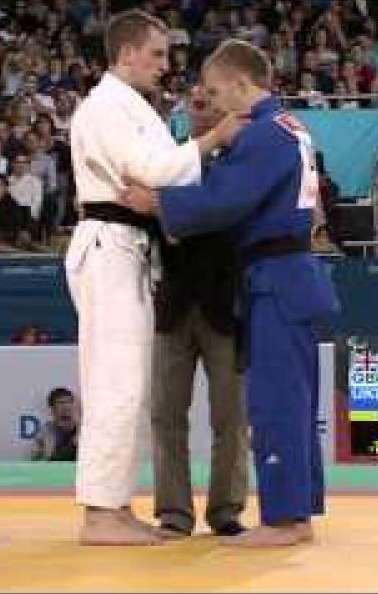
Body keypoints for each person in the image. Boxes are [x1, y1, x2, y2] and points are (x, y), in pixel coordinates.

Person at [120, 39, 337, 548]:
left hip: (275, 280)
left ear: (242, 83)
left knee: (276, 402)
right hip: (291, 276)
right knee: (294, 401)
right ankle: (297, 513)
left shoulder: (263, 134)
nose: (214, 102)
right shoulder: (291, 127)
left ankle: (285, 520)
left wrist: (156, 202)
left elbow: (223, 201)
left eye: (216, 91)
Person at [64, 9, 242, 546]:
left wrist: (201, 142)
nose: (166, 66)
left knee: (131, 385)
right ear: (126, 54)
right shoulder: (104, 108)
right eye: (158, 54)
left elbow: (169, 166)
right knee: (115, 381)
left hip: (131, 248)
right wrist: (216, 139)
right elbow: (159, 170)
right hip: (109, 243)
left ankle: (114, 505)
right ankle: (99, 512)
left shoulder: (134, 108)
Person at [150, 85, 248, 540]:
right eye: (194, 102)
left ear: (226, 110)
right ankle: (173, 511)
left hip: (224, 306)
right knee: (167, 414)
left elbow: (219, 220)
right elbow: (159, 220)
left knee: (229, 415)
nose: (200, 108)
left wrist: (179, 215)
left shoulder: (241, 166)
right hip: (173, 304)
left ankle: (226, 509)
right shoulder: (169, 164)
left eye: (208, 101)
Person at [32, 387, 80, 462]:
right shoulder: (45, 432)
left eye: (69, 402)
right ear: (52, 408)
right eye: (61, 403)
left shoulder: (84, 429)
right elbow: (36, 462)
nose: (66, 406)